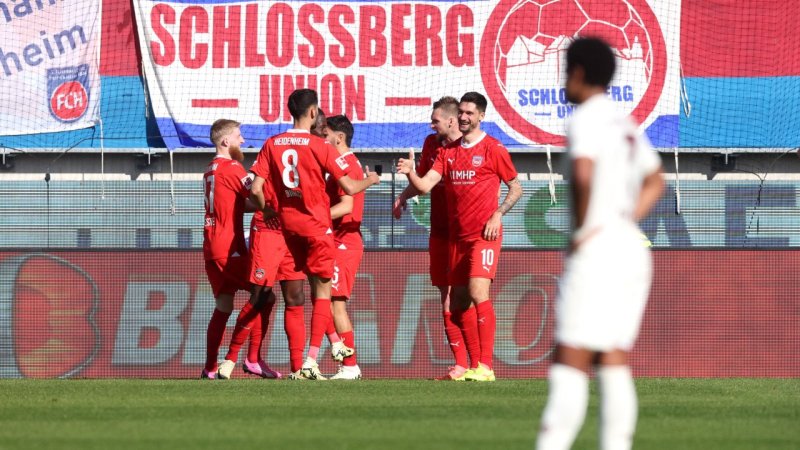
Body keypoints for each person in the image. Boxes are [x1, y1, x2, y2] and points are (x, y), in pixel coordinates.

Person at [535, 38, 664, 450]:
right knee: (612, 358)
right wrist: (623, 220)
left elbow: (585, 175)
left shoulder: (585, 117)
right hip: (630, 248)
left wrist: (583, 230)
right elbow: (656, 180)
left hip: (597, 250)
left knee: (570, 358)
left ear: (577, 73)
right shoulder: (622, 122)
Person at [250, 89, 380, 380]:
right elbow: (349, 188)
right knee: (324, 294)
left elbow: (256, 189)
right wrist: (371, 180)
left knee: (310, 293)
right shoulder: (320, 147)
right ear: (312, 113)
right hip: (318, 228)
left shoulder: (272, 143)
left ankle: (331, 349)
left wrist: (268, 210)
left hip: (289, 228)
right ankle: (311, 360)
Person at [397, 92, 523, 382]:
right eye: (463, 112)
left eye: (470, 113)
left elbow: (516, 188)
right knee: (457, 304)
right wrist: (409, 174)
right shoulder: (447, 152)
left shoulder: (493, 148)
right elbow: (426, 186)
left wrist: (498, 214)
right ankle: (472, 366)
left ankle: (487, 367)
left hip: (484, 235)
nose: (465, 117)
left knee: (479, 293)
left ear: (481, 116)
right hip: (456, 239)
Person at [393, 96, 469, 381]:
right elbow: (423, 181)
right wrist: (403, 195)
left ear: (451, 120)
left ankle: (479, 362)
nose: (431, 124)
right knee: (445, 295)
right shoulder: (430, 143)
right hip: (439, 231)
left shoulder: (471, 144)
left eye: (435, 119)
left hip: (466, 232)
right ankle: (460, 364)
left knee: (470, 295)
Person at [201, 119, 255, 379]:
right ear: (225, 142)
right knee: (264, 294)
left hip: (211, 247)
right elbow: (255, 196)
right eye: (238, 136)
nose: (242, 141)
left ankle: (209, 367)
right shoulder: (232, 167)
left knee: (224, 306)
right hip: (228, 246)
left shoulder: (210, 169)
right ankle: (240, 359)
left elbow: (234, 204)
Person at [322, 115, 366, 380]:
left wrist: (315, 219)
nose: (322, 138)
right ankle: (343, 360)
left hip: (344, 243)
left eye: (325, 134)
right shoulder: (339, 164)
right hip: (335, 240)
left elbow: (346, 206)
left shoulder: (347, 164)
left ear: (339, 137)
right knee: (324, 305)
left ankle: (350, 365)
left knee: (335, 306)